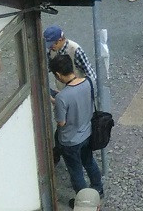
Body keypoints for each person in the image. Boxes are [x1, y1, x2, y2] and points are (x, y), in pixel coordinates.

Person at [50, 53, 103, 202]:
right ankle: (98, 188)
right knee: (89, 162)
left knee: (76, 172)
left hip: (70, 141)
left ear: (59, 75)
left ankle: (85, 202)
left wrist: (55, 102)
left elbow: (61, 123)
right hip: (87, 133)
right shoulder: (88, 82)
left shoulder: (62, 97)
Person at [45, 26, 97, 90]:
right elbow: (49, 68)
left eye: (51, 45)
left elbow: (90, 74)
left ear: (60, 40)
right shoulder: (52, 51)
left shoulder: (75, 50)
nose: (49, 47)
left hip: (78, 91)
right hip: (62, 91)